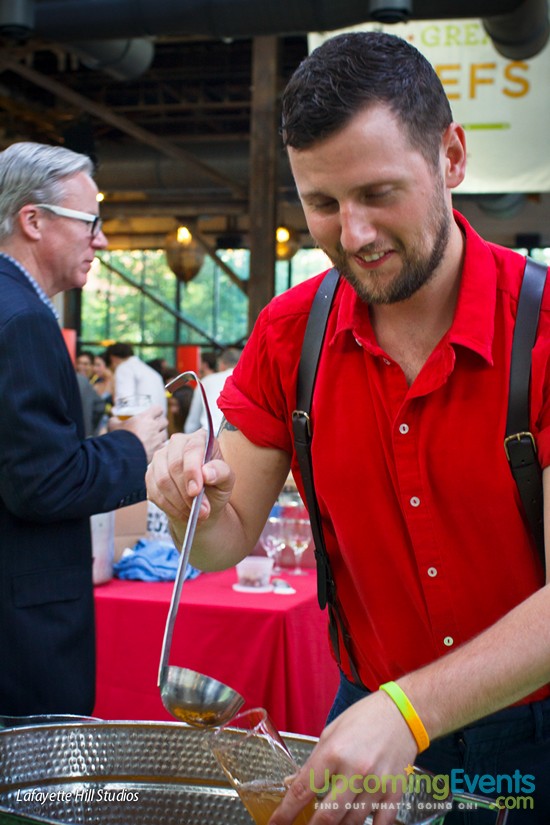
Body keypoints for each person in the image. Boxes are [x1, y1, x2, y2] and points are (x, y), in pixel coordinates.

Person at [146, 31, 550, 824]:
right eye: (324, 204)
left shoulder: (538, 332)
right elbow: (223, 540)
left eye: (378, 193)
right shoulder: (290, 334)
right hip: (366, 716)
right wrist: (183, 496)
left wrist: (410, 709)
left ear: (452, 157)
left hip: (529, 737)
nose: (354, 233)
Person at [0, 141, 168, 717]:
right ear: (33, 221)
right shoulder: (23, 320)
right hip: (22, 633)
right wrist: (133, 447)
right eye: (91, 222)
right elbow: (41, 483)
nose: (102, 241)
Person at [184, 347, 241, 435]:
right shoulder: (250, 382)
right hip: (240, 439)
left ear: (222, 364)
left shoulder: (206, 381)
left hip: (209, 437)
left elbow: (192, 424)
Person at [105, 342, 168, 413]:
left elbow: (124, 406)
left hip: (141, 418)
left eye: (111, 369)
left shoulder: (124, 368)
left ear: (112, 359)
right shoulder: (152, 372)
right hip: (159, 418)